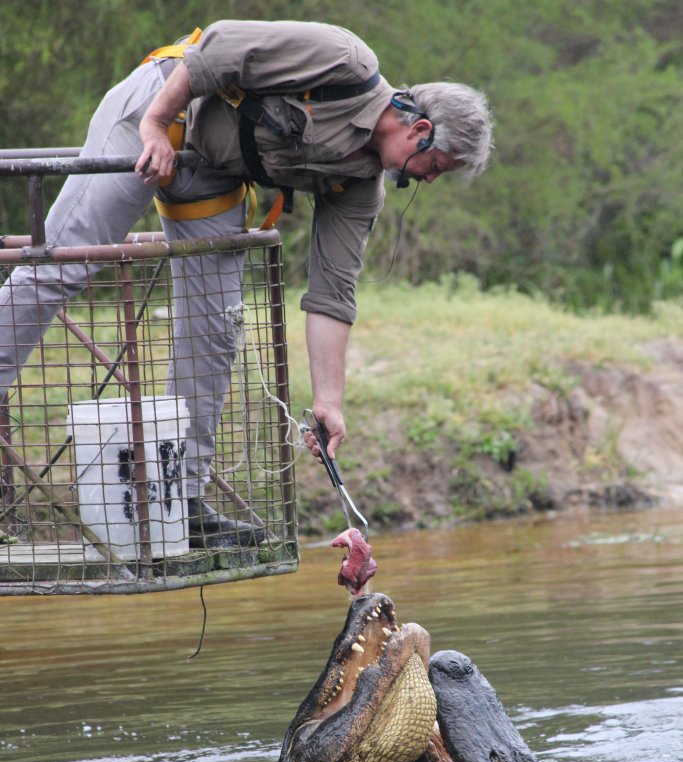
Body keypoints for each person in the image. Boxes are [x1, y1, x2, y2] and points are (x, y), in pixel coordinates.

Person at [0, 20, 493, 547]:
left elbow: (331, 293)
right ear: (421, 130)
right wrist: (152, 125)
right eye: (436, 165)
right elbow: (217, 48)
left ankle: (178, 502)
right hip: (163, 113)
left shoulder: (360, 188)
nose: (429, 179)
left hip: (212, 173)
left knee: (214, 327)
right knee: (60, 265)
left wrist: (330, 401)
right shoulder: (343, 60)